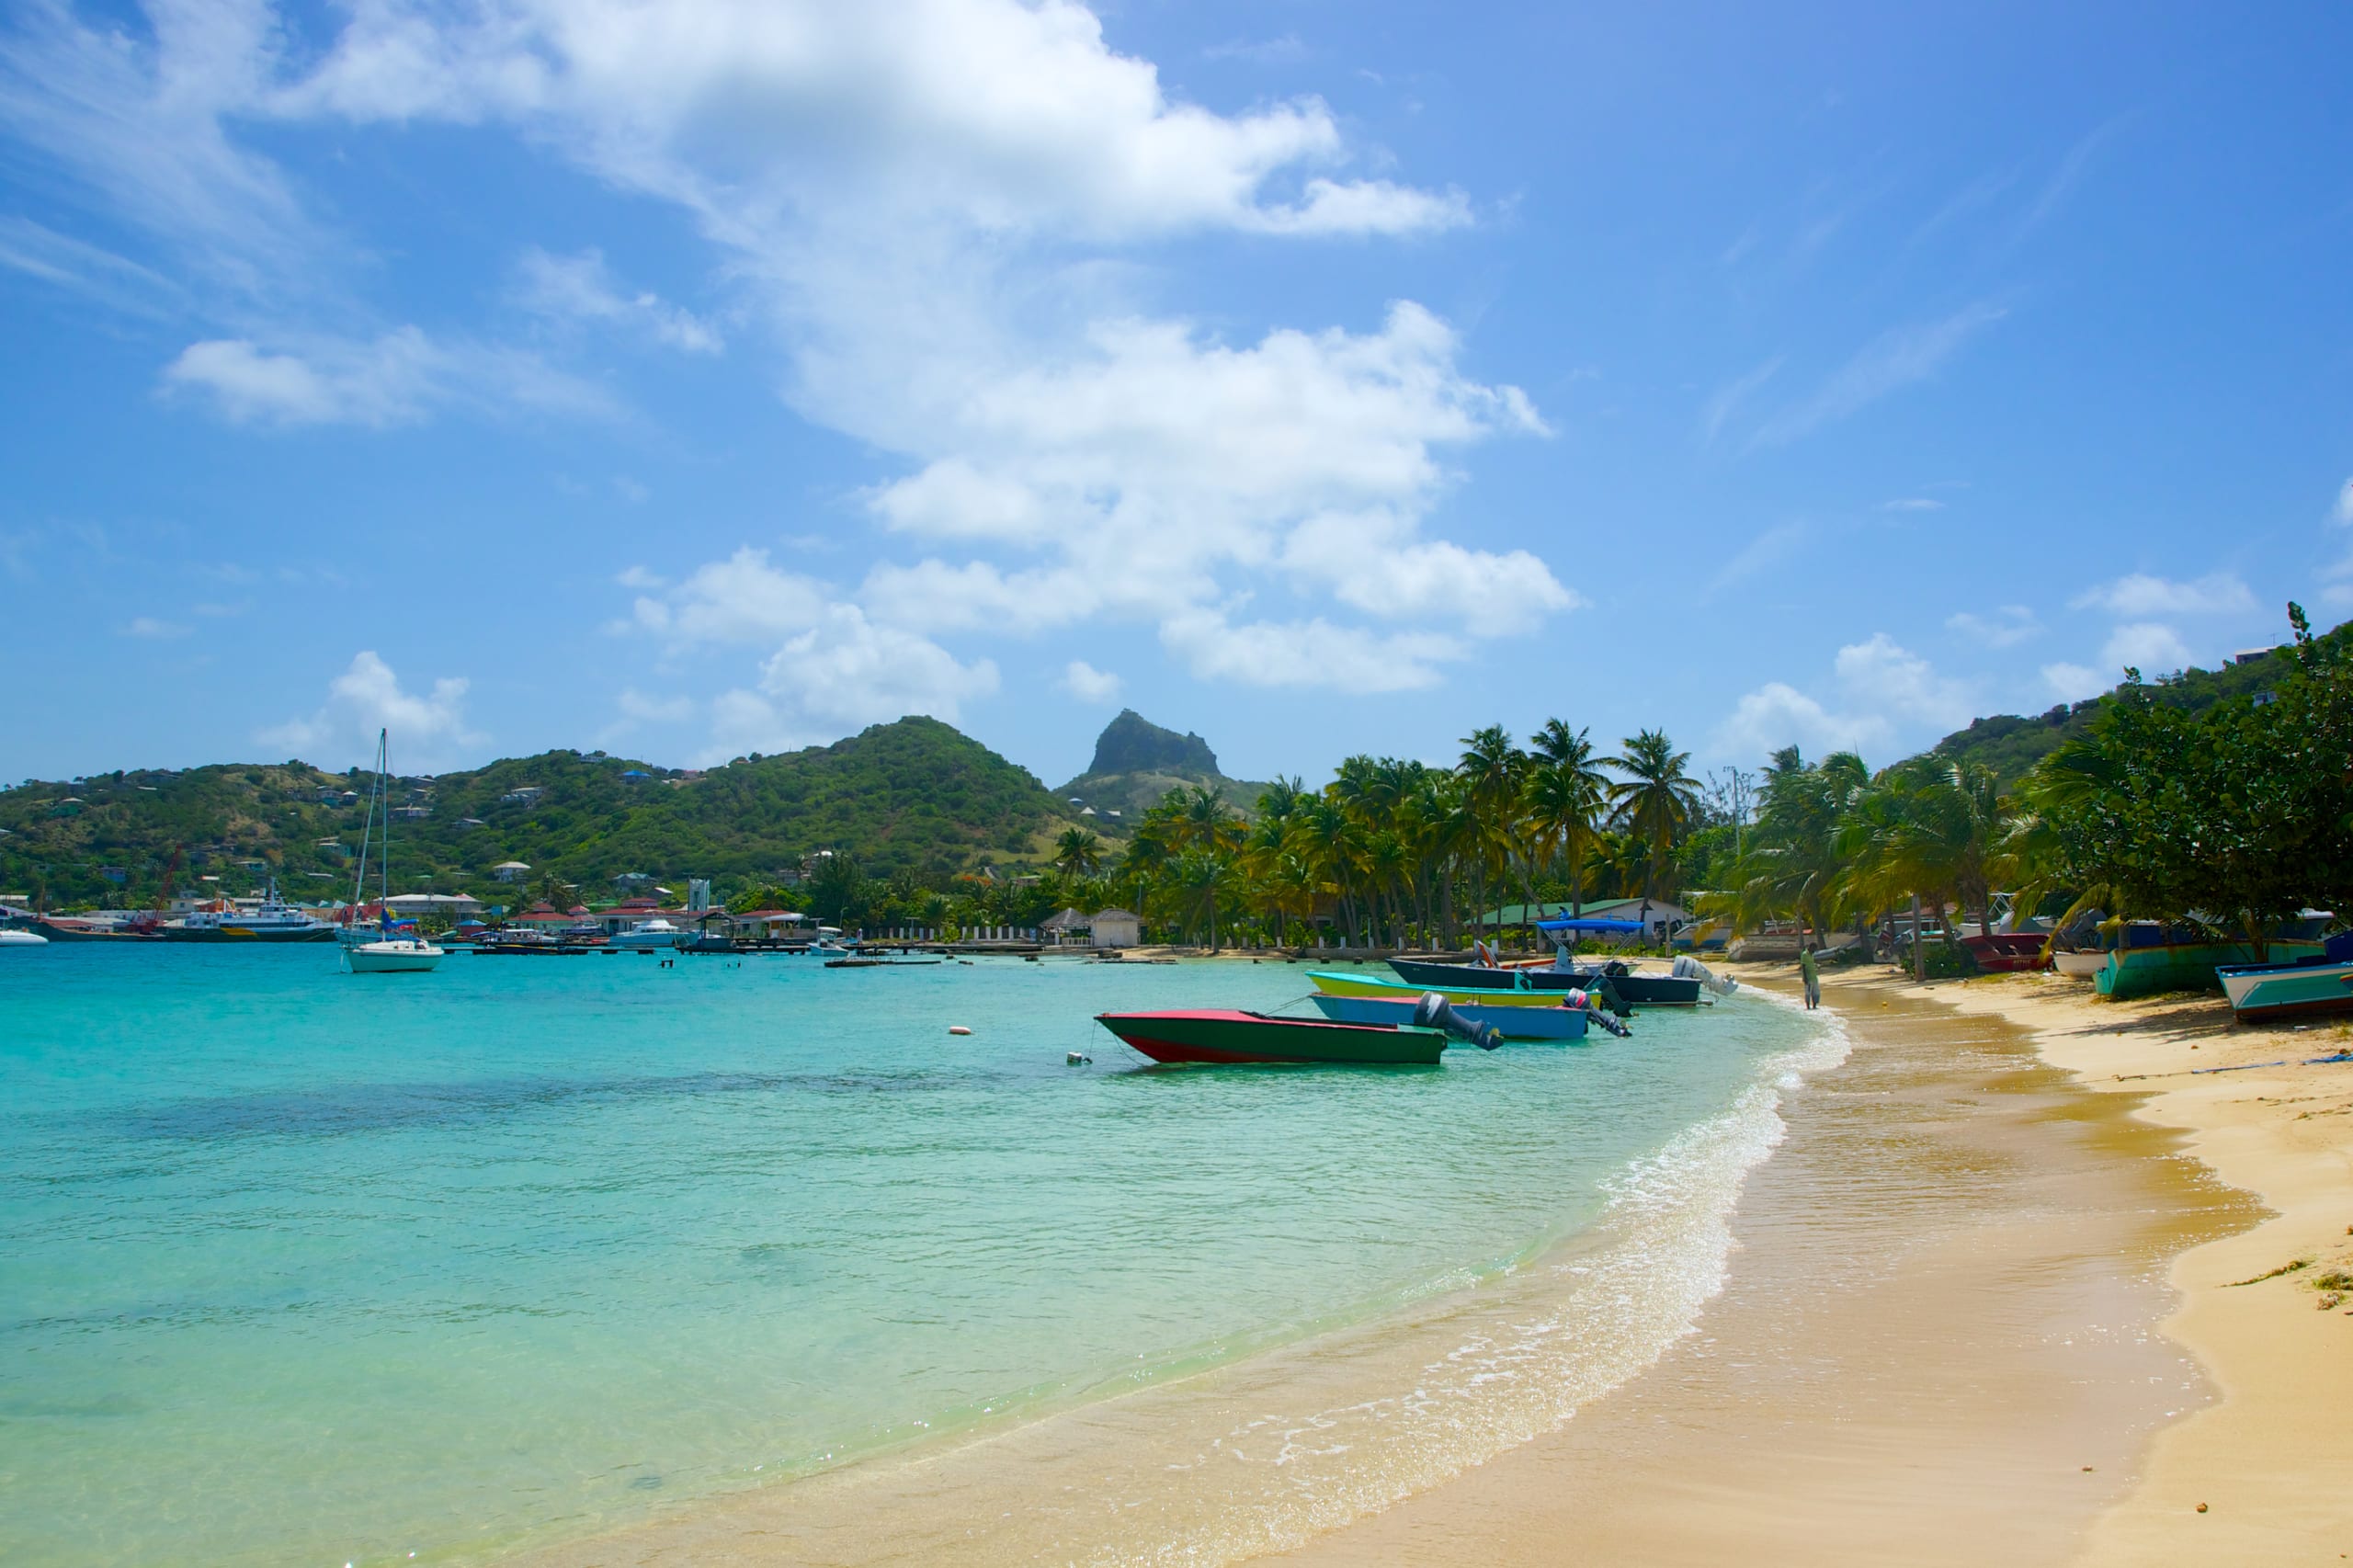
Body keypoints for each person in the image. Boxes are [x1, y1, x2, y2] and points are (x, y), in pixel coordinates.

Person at [1798, 945, 1822, 1010]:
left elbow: (1811, 963)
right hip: (1808, 977)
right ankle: (1808, 1007)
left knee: (1816, 992)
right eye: (1814, 949)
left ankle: (1814, 1006)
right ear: (1811, 948)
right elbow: (1803, 966)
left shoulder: (1812, 954)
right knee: (1808, 993)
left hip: (1814, 977)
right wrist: (1805, 978)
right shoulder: (1804, 954)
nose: (1815, 951)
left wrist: (1816, 965)